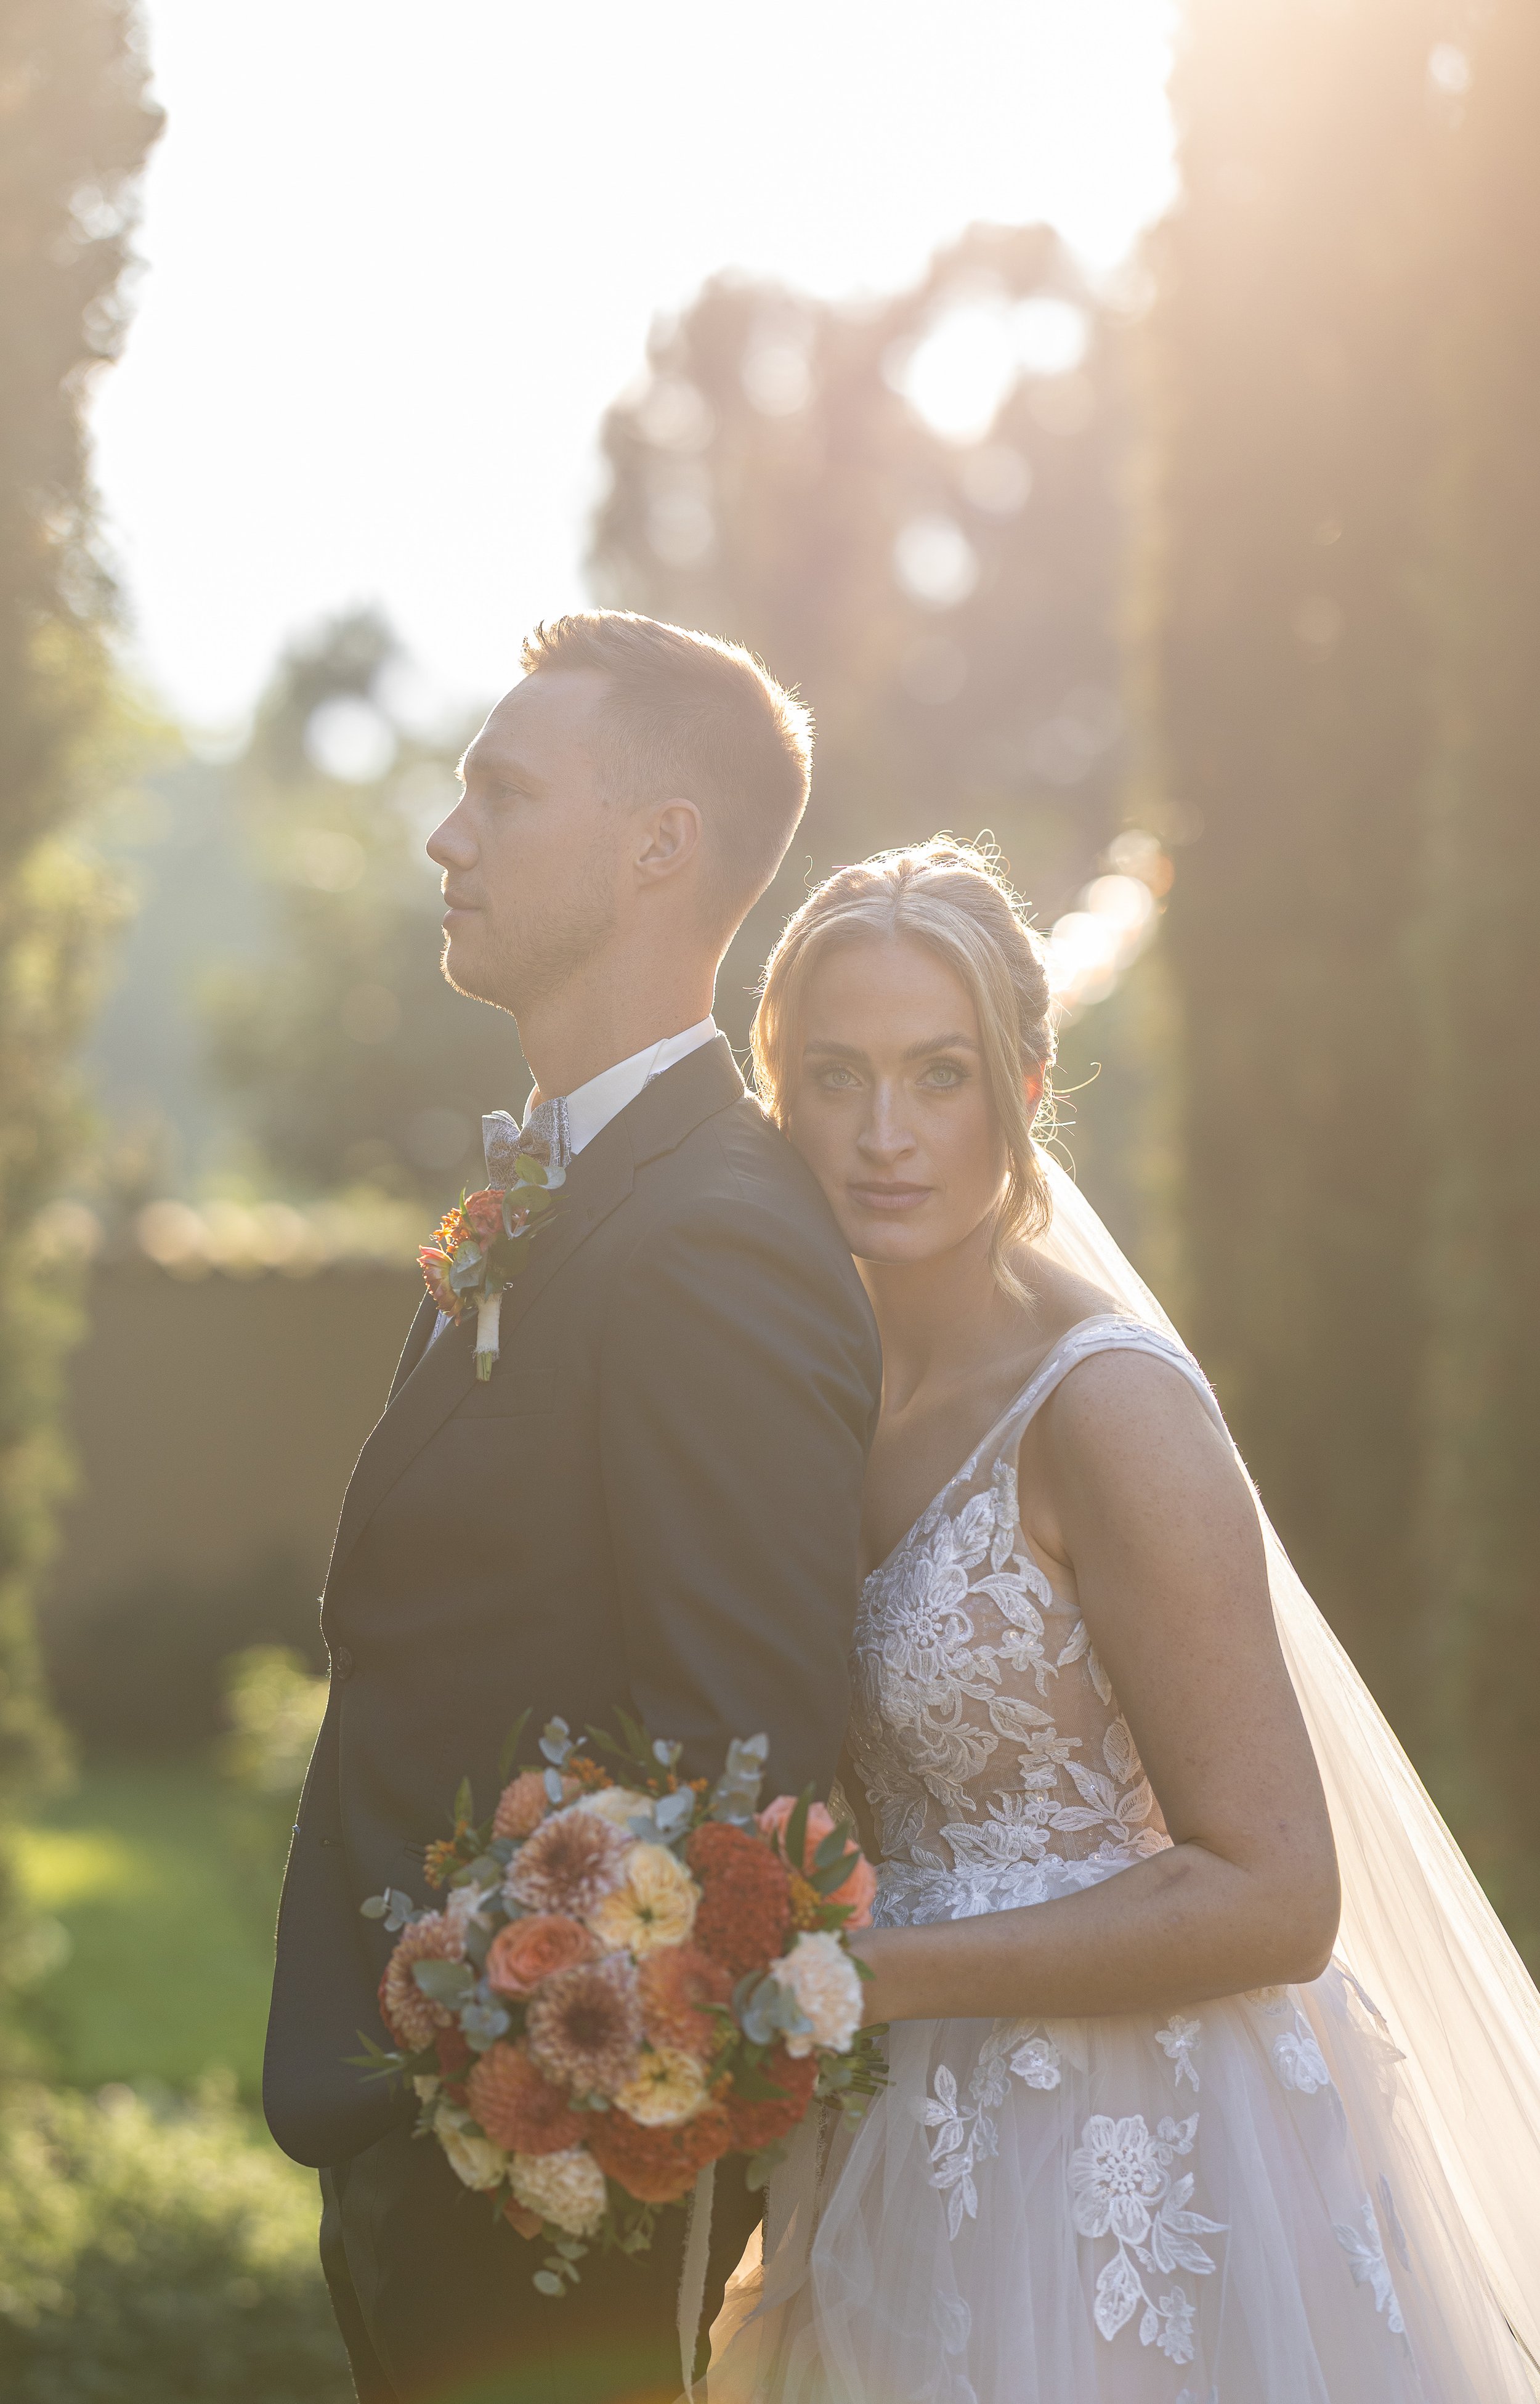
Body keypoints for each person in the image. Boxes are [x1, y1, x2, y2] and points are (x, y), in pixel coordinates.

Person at [706, 838, 1540, 2400]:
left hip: (1132, 2155)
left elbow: (1277, 1892)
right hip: (894, 2131)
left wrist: (883, 1971)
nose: (883, 1135)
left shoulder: (1105, 1412)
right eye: (835, 1076)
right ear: (775, 1096)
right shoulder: (813, 1395)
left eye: (937, 1074)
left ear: (1024, 1088)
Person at [261, 612, 883, 2404]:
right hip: (425, 2128)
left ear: (657, 846)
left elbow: (747, 1778)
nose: (446, 837)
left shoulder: (715, 1235)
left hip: (558, 2183)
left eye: (498, 793)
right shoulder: (578, 1179)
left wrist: (549, 2115)